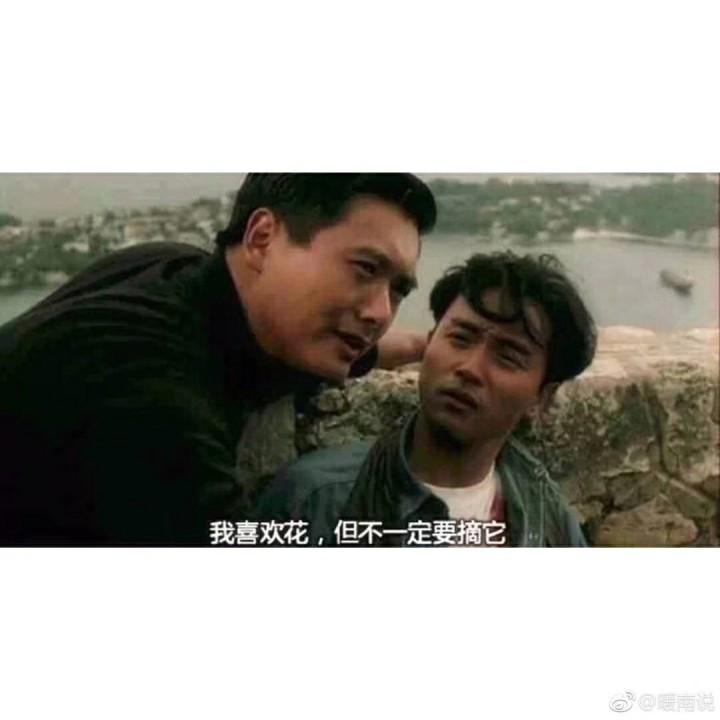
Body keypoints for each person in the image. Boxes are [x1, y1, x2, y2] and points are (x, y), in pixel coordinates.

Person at [0, 173, 437, 546]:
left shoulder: (171, 268)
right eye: (364, 269)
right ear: (262, 239)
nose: (381, 311)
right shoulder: (147, 393)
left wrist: (409, 348)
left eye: (398, 289)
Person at [254, 251, 597, 547]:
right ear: (430, 342)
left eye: (508, 357)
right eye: (460, 338)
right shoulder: (317, 501)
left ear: (542, 396)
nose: (469, 369)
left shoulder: (547, 517)